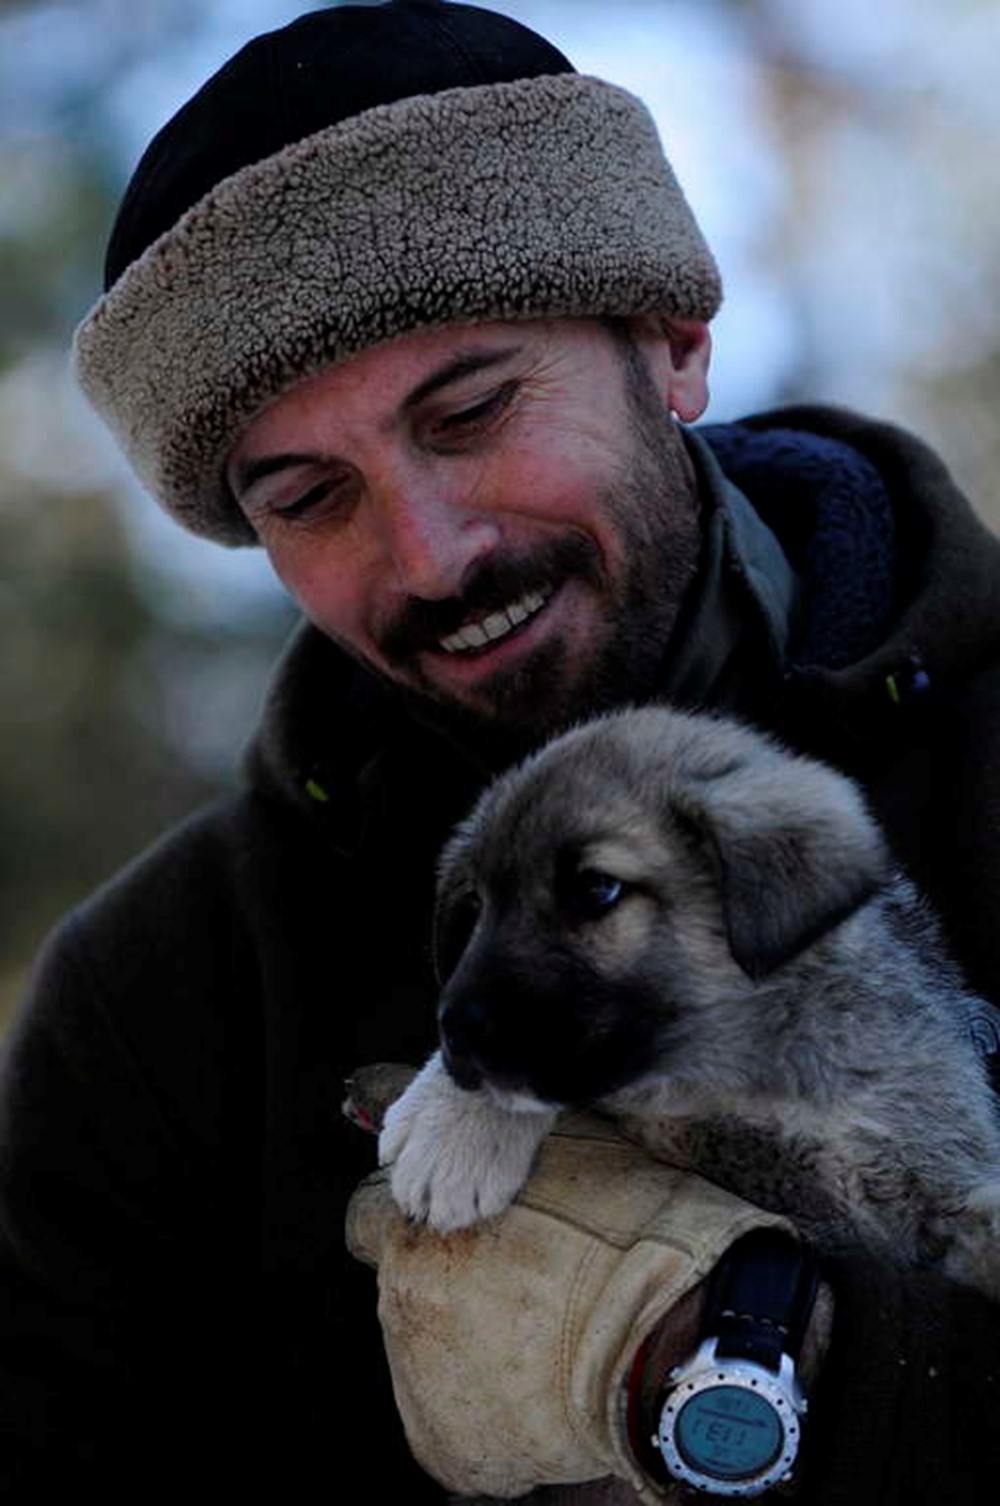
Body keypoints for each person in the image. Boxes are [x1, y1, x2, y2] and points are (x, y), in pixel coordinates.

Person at [7, 0, 1000, 1497]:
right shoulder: (158, 1007)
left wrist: (760, 1371)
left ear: (672, 342)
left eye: (469, 410)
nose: (427, 552)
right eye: (306, 496)